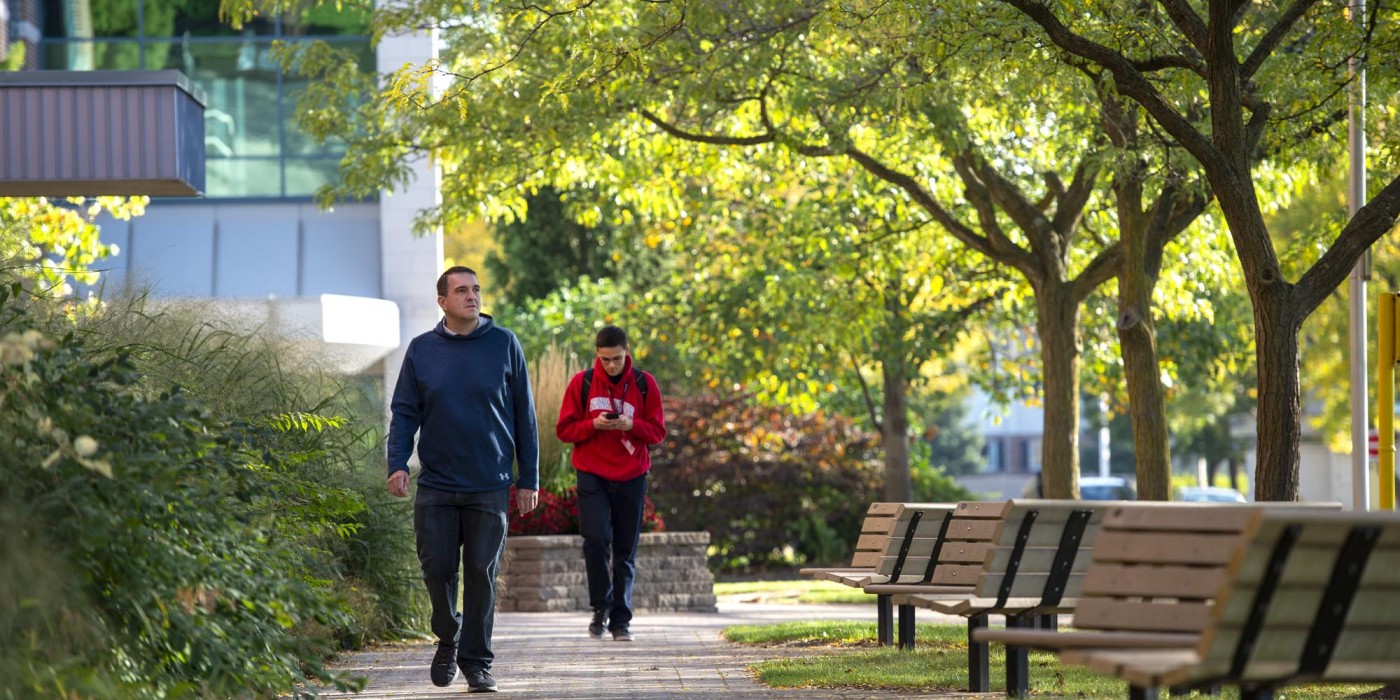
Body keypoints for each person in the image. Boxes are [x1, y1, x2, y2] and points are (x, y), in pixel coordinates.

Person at [387, 266, 539, 692]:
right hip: (435, 483)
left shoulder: (505, 344)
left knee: (481, 573)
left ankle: (477, 664)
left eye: (475, 289)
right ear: (442, 302)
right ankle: (447, 633)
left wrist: (529, 478)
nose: (472, 296)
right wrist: (397, 463)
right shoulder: (421, 350)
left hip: (489, 482)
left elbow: (524, 416)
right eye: (461, 290)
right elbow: (404, 413)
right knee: (436, 568)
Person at [556, 325, 666, 642]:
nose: (610, 366)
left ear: (626, 352)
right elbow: (564, 430)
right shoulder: (583, 383)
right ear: (597, 356)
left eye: (616, 359)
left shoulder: (645, 384)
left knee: (625, 550)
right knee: (595, 538)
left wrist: (632, 424)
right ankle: (600, 609)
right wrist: (593, 424)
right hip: (591, 472)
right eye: (604, 359)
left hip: (632, 475)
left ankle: (621, 620)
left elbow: (657, 432)